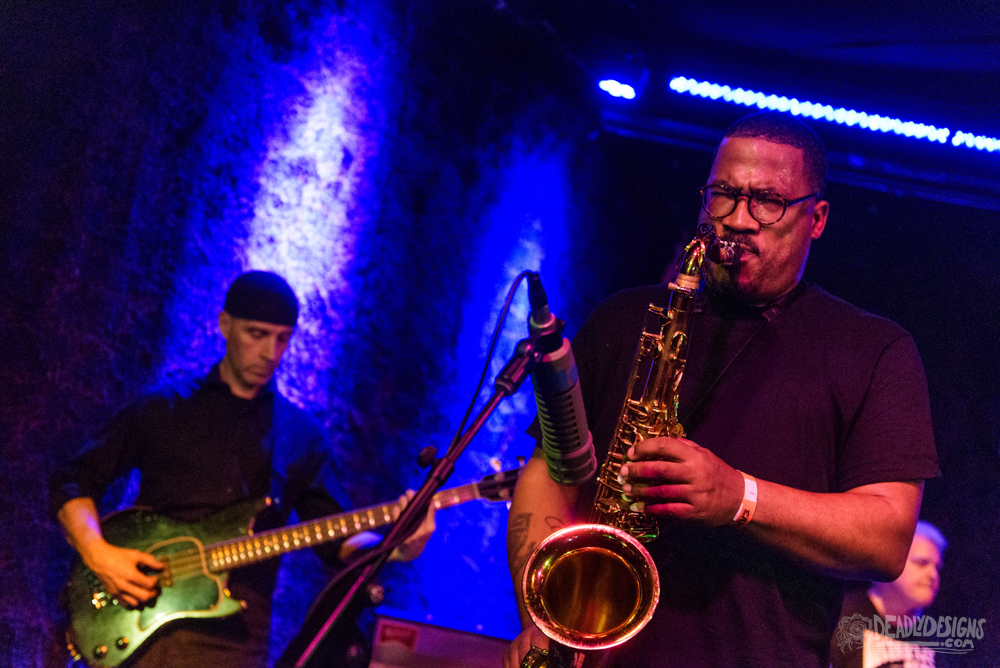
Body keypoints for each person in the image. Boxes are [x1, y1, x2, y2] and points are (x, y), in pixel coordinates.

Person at [505, 111, 940, 668]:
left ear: (817, 219)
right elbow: (551, 471)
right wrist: (540, 616)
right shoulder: (624, 318)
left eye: (768, 201)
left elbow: (886, 538)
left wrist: (739, 497)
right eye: (723, 195)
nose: (737, 220)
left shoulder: (874, 349)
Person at [50, 270, 435, 668]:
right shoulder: (163, 407)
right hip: (140, 624)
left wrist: (397, 547)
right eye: (257, 334)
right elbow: (73, 480)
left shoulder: (301, 436)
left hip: (233, 644)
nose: (271, 353)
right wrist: (99, 554)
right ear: (225, 325)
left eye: (282, 338)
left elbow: (336, 541)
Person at [831, 521, 946, 668]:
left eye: (937, 567)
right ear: (889, 562)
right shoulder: (842, 617)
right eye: (921, 563)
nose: (933, 575)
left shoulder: (938, 636)